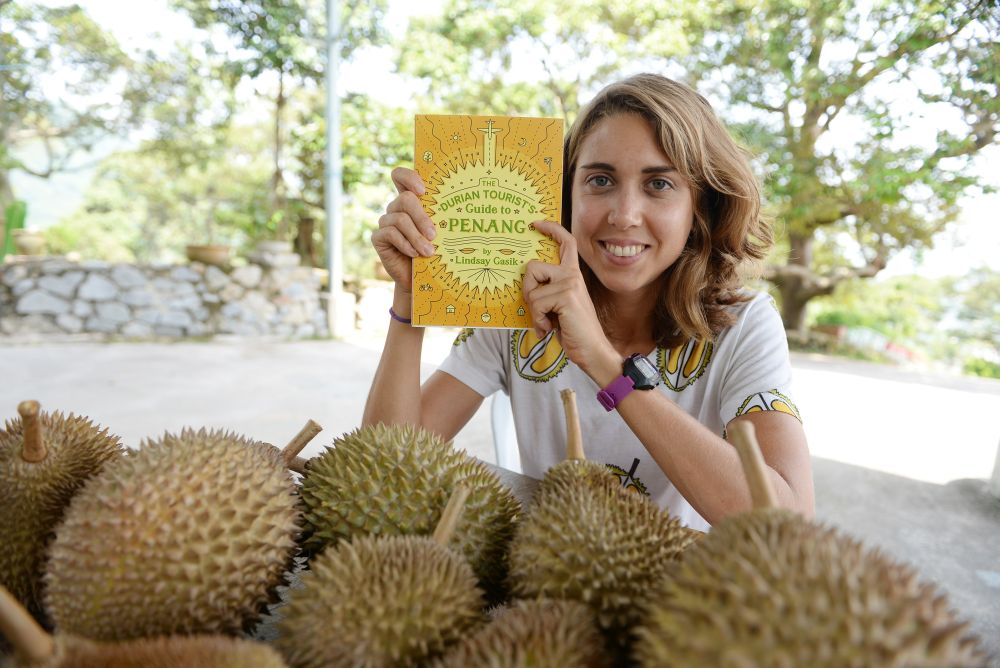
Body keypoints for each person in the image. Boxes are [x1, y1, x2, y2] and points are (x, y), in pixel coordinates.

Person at [363, 73, 814, 531]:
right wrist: (410, 303)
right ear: (566, 195)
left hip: (681, 595)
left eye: (658, 184)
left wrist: (605, 364)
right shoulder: (519, 306)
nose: (624, 215)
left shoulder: (743, 325)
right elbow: (383, 474)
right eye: (600, 180)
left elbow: (787, 526)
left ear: (701, 207)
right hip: (550, 581)